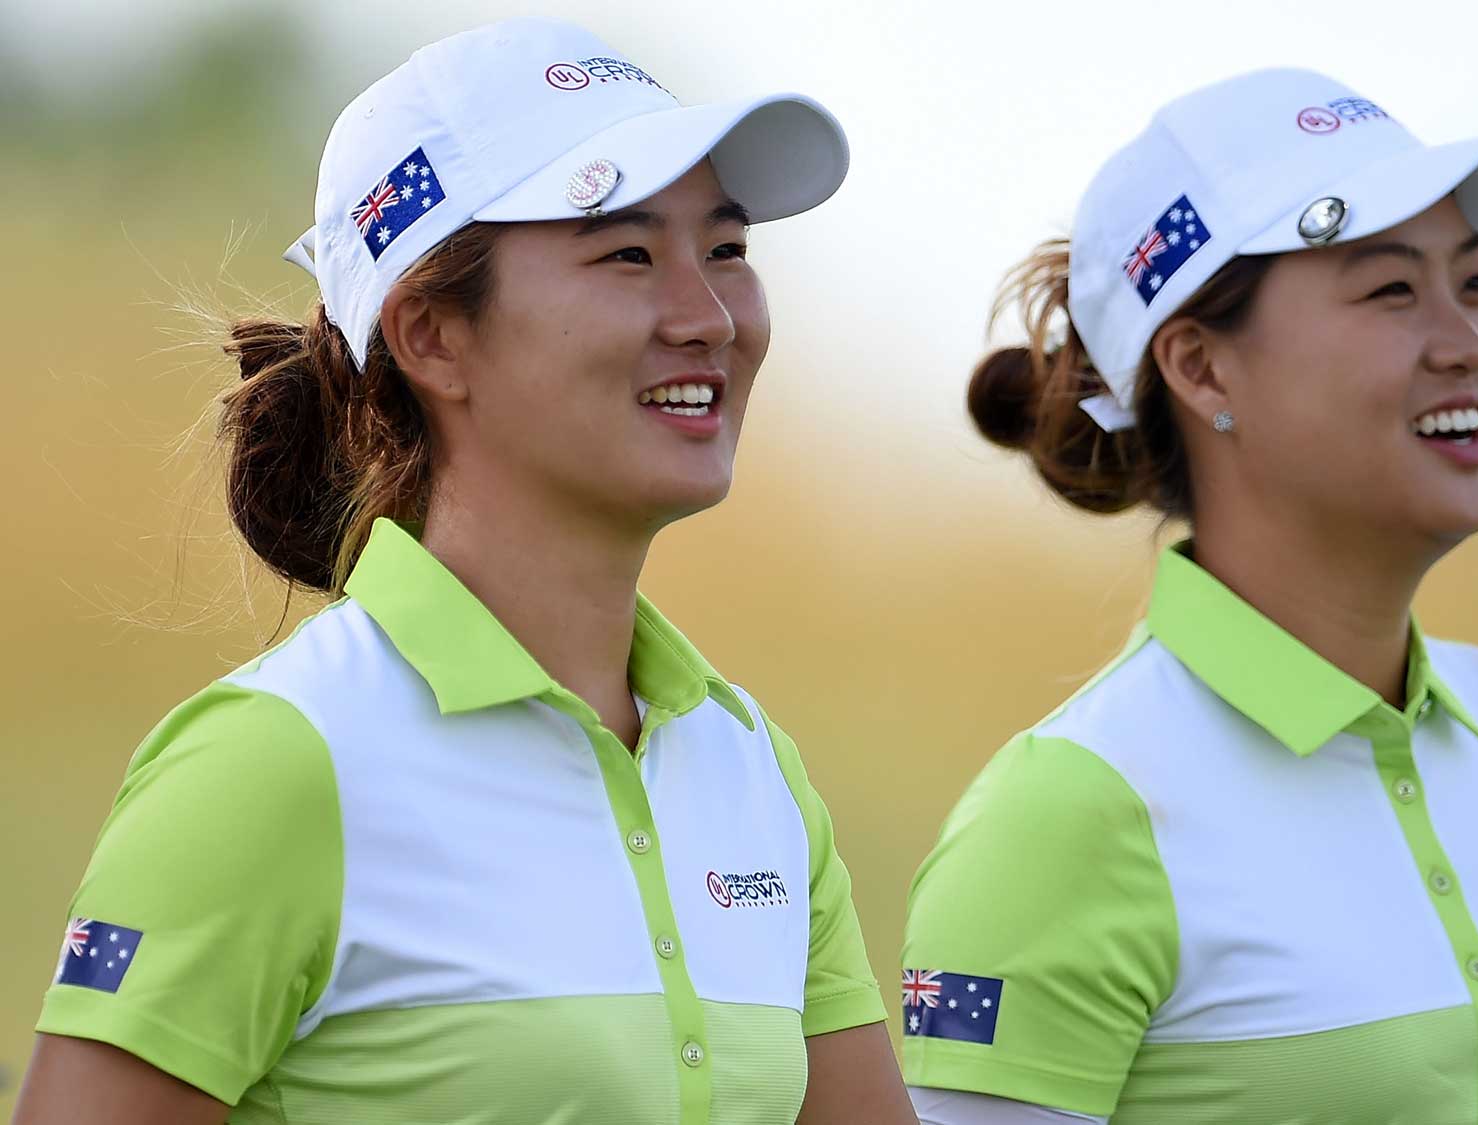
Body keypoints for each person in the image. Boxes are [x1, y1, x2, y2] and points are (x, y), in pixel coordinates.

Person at [13, 18, 915, 1125]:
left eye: (726, 250)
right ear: (433, 337)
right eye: (628, 254)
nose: (708, 317)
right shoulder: (274, 763)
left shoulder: (749, 770)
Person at [901, 69, 1478, 1124]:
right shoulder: (1064, 818)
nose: (1467, 344)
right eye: (1390, 291)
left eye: (1476, 283)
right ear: (1201, 370)